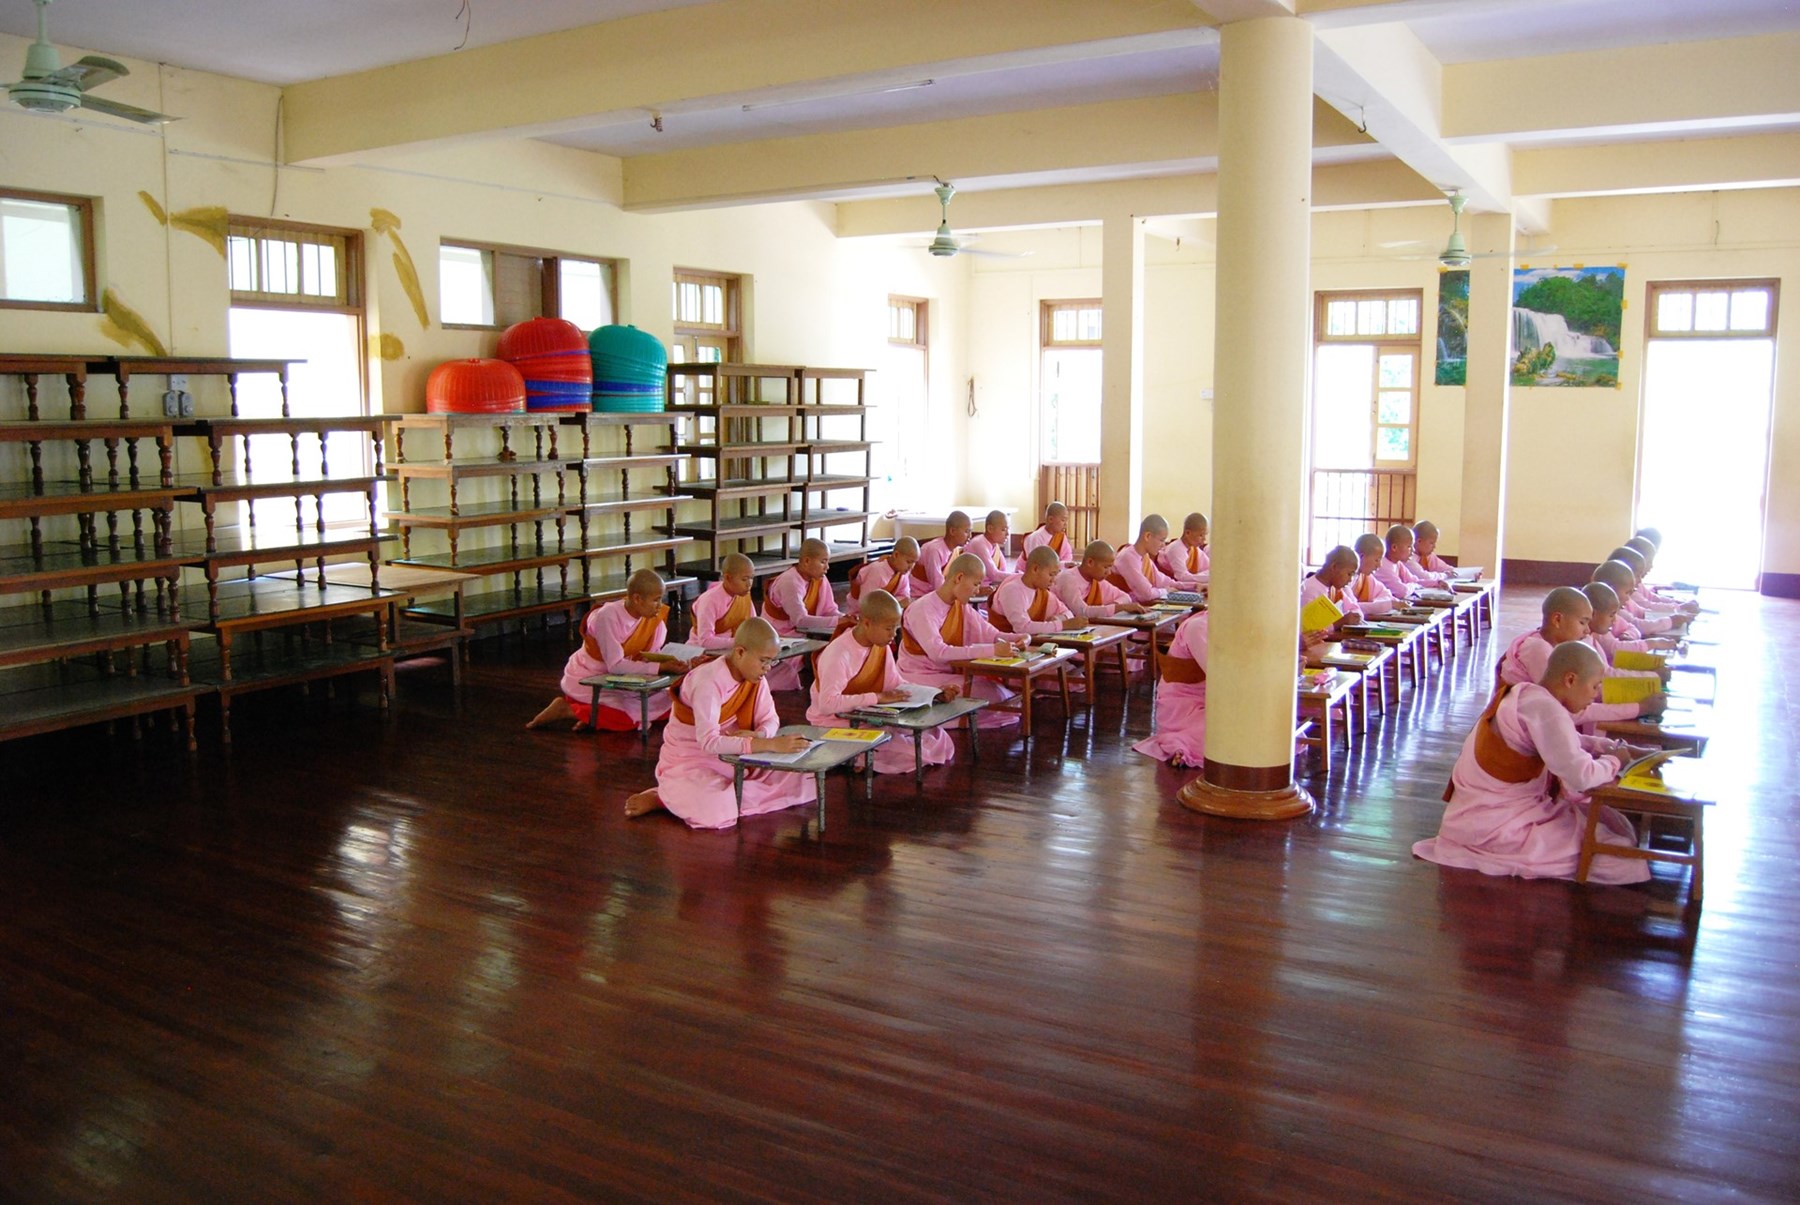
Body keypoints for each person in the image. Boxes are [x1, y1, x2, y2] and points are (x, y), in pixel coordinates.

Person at [1413, 641, 1650, 884]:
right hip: (1500, 825)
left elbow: (1563, 739)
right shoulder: (1546, 708)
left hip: (1479, 816)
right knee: (1622, 858)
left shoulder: (1526, 693)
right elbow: (1582, 776)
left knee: (1612, 824)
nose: (1596, 694)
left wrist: (1605, 746)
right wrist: (1615, 760)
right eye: (1594, 686)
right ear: (1570, 679)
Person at [625, 618, 816, 828]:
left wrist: (760, 735)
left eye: (771, 661)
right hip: (692, 761)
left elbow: (771, 719)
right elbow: (708, 743)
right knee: (715, 809)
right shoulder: (708, 681)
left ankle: (702, 799)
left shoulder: (754, 678)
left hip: (736, 755)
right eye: (763, 661)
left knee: (805, 781)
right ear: (740, 652)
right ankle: (663, 797)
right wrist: (767, 744)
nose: (767, 668)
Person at [807, 589, 959, 775]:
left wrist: (934, 693)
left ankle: (861, 755)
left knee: (936, 736)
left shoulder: (879, 645)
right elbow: (827, 704)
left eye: (896, 628)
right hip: (836, 723)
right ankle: (853, 756)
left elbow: (896, 684)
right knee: (913, 752)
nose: (894, 635)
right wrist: (877, 697)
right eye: (889, 628)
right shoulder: (839, 653)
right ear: (867, 623)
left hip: (867, 717)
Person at [529, 569, 693, 732]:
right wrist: (661, 667)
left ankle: (592, 717)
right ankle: (567, 710)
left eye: (661, 599)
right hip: (592, 677)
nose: (660, 606)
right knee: (628, 718)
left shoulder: (654, 621)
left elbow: (648, 656)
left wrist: (679, 663)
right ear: (637, 598)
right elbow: (615, 666)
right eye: (655, 600)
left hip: (628, 679)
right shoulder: (608, 616)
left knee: (674, 703)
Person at [1496, 585, 1657, 734]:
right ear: (1557, 620)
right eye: (1582, 622)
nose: (1587, 630)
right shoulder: (1538, 649)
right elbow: (1570, 711)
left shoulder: (1560, 645)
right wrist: (1639, 708)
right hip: (1521, 732)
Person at [899, 552, 1027, 727]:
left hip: (948, 674)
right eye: (975, 584)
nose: (977, 590)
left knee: (1005, 696)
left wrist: (1021, 638)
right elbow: (938, 652)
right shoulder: (923, 609)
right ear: (959, 578)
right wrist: (993, 650)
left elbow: (991, 634)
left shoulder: (959, 606)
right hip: (921, 676)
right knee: (995, 697)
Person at [1132, 608, 1210, 768]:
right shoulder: (1198, 627)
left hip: (1212, 697)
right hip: (1183, 706)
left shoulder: (1230, 626)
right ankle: (1180, 741)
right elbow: (1219, 675)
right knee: (1230, 735)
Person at [762, 538, 840, 690]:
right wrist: (838, 621)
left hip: (808, 635)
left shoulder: (820, 579)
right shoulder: (790, 581)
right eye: (823, 562)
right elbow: (801, 621)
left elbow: (829, 610)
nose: (827, 567)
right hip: (783, 639)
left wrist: (846, 620)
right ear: (806, 561)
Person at [992, 546, 1085, 635]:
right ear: (1035, 569)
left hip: (1033, 642)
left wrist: (1057, 618)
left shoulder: (1041, 591)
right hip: (1006, 645)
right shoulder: (1012, 590)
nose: (1053, 580)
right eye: (1051, 574)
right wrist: (1063, 625)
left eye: (1055, 575)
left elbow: (1068, 613)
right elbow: (1022, 628)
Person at [1053, 540, 1148, 620]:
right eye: (1106, 567)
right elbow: (1081, 612)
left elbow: (1126, 597)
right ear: (1090, 562)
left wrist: (1113, 606)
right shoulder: (1069, 579)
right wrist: (1118, 608)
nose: (1109, 572)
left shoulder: (1095, 580)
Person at [690, 552, 758, 651]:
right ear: (727, 578)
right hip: (704, 652)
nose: (749, 584)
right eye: (744, 579)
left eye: (751, 578)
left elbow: (753, 625)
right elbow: (705, 641)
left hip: (735, 648)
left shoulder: (743, 595)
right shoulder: (709, 601)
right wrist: (738, 642)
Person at [1110, 513, 1175, 603]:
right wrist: (1166, 591)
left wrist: (1192, 585)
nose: (1163, 546)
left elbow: (1163, 580)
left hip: (1135, 606)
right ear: (1147, 536)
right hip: (1120, 608)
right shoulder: (1128, 557)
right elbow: (1147, 594)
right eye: (1161, 540)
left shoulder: (1144, 557)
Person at [1300, 546, 1363, 638]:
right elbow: (1306, 629)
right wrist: (1338, 623)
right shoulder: (1309, 589)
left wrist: (1354, 617)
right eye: (1349, 574)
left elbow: (1356, 609)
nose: (1350, 580)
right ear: (1334, 567)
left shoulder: (1335, 589)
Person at [848, 538, 918, 615]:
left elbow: (904, 597)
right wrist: (897, 605)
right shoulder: (876, 571)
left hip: (886, 613)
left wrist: (899, 604)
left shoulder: (902, 573)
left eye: (914, 563)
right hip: (862, 616)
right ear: (896, 555)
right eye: (908, 562)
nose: (911, 567)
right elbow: (865, 605)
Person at [911, 510, 973, 592]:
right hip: (918, 593)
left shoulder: (956, 550)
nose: (970, 536)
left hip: (938, 592)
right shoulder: (935, 550)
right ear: (952, 531)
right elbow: (937, 584)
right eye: (967, 531)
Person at [1377, 523, 1448, 594]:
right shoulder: (1383, 566)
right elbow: (1402, 591)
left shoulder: (1398, 563)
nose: (1413, 550)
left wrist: (1437, 583)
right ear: (1394, 547)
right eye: (1409, 547)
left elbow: (1414, 580)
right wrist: (1414, 586)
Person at [1347, 533, 1403, 616]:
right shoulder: (1344, 578)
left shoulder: (1365, 577)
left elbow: (1386, 594)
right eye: (1377, 560)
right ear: (1361, 557)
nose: (1380, 565)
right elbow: (1349, 608)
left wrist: (1377, 604)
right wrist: (1386, 605)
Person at [1156, 512, 1210, 588]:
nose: (1204, 539)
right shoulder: (1176, 548)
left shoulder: (1194, 550)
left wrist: (1199, 576)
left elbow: (1211, 569)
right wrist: (1208, 577)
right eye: (1201, 535)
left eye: (1205, 535)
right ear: (1188, 533)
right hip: (1171, 589)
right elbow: (1182, 577)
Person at [964, 509, 1016, 587]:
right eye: (1003, 529)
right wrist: (1019, 577)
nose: (1007, 533)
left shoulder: (994, 545)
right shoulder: (979, 544)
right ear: (990, 529)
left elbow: (1002, 572)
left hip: (990, 587)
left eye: (1008, 529)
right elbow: (994, 575)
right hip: (974, 590)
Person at [1022, 500, 1077, 566]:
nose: (1065, 524)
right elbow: (1035, 562)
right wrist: (1062, 565)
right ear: (1050, 519)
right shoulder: (1036, 537)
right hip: (1029, 572)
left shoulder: (1061, 536)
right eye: (1063, 520)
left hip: (1052, 570)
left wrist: (1065, 565)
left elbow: (1067, 555)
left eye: (1066, 520)